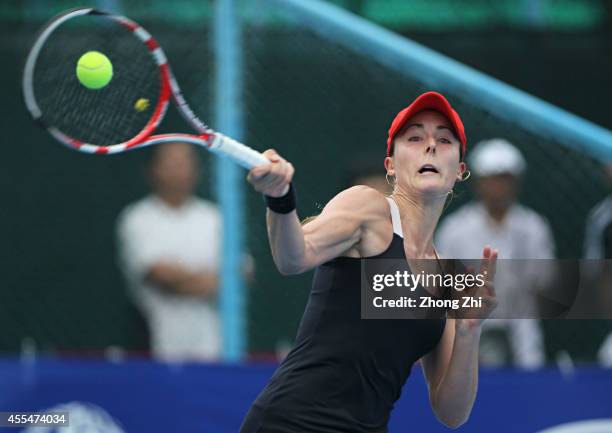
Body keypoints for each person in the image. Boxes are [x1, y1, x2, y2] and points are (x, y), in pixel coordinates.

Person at [240, 92, 498, 432]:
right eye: (416, 137)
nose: (430, 146)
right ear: (390, 166)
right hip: (292, 424)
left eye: (445, 140)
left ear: (460, 172)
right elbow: (293, 257)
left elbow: (452, 412)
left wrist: (469, 329)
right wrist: (279, 198)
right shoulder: (369, 208)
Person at [436, 138, 554, 368]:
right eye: (492, 179)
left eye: (505, 179)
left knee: (528, 381)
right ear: (479, 183)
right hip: (469, 324)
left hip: (522, 325)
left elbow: (544, 281)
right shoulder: (455, 229)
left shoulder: (534, 226)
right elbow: (441, 283)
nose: (499, 186)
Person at [116, 142, 222, 362]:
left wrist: (182, 280)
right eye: (171, 163)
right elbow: (160, 276)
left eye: (185, 163)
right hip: (153, 348)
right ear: (153, 169)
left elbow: (240, 274)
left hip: (215, 348)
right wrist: (210, 281)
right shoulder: (137, 218)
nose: (179, 170)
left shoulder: (214, 218)